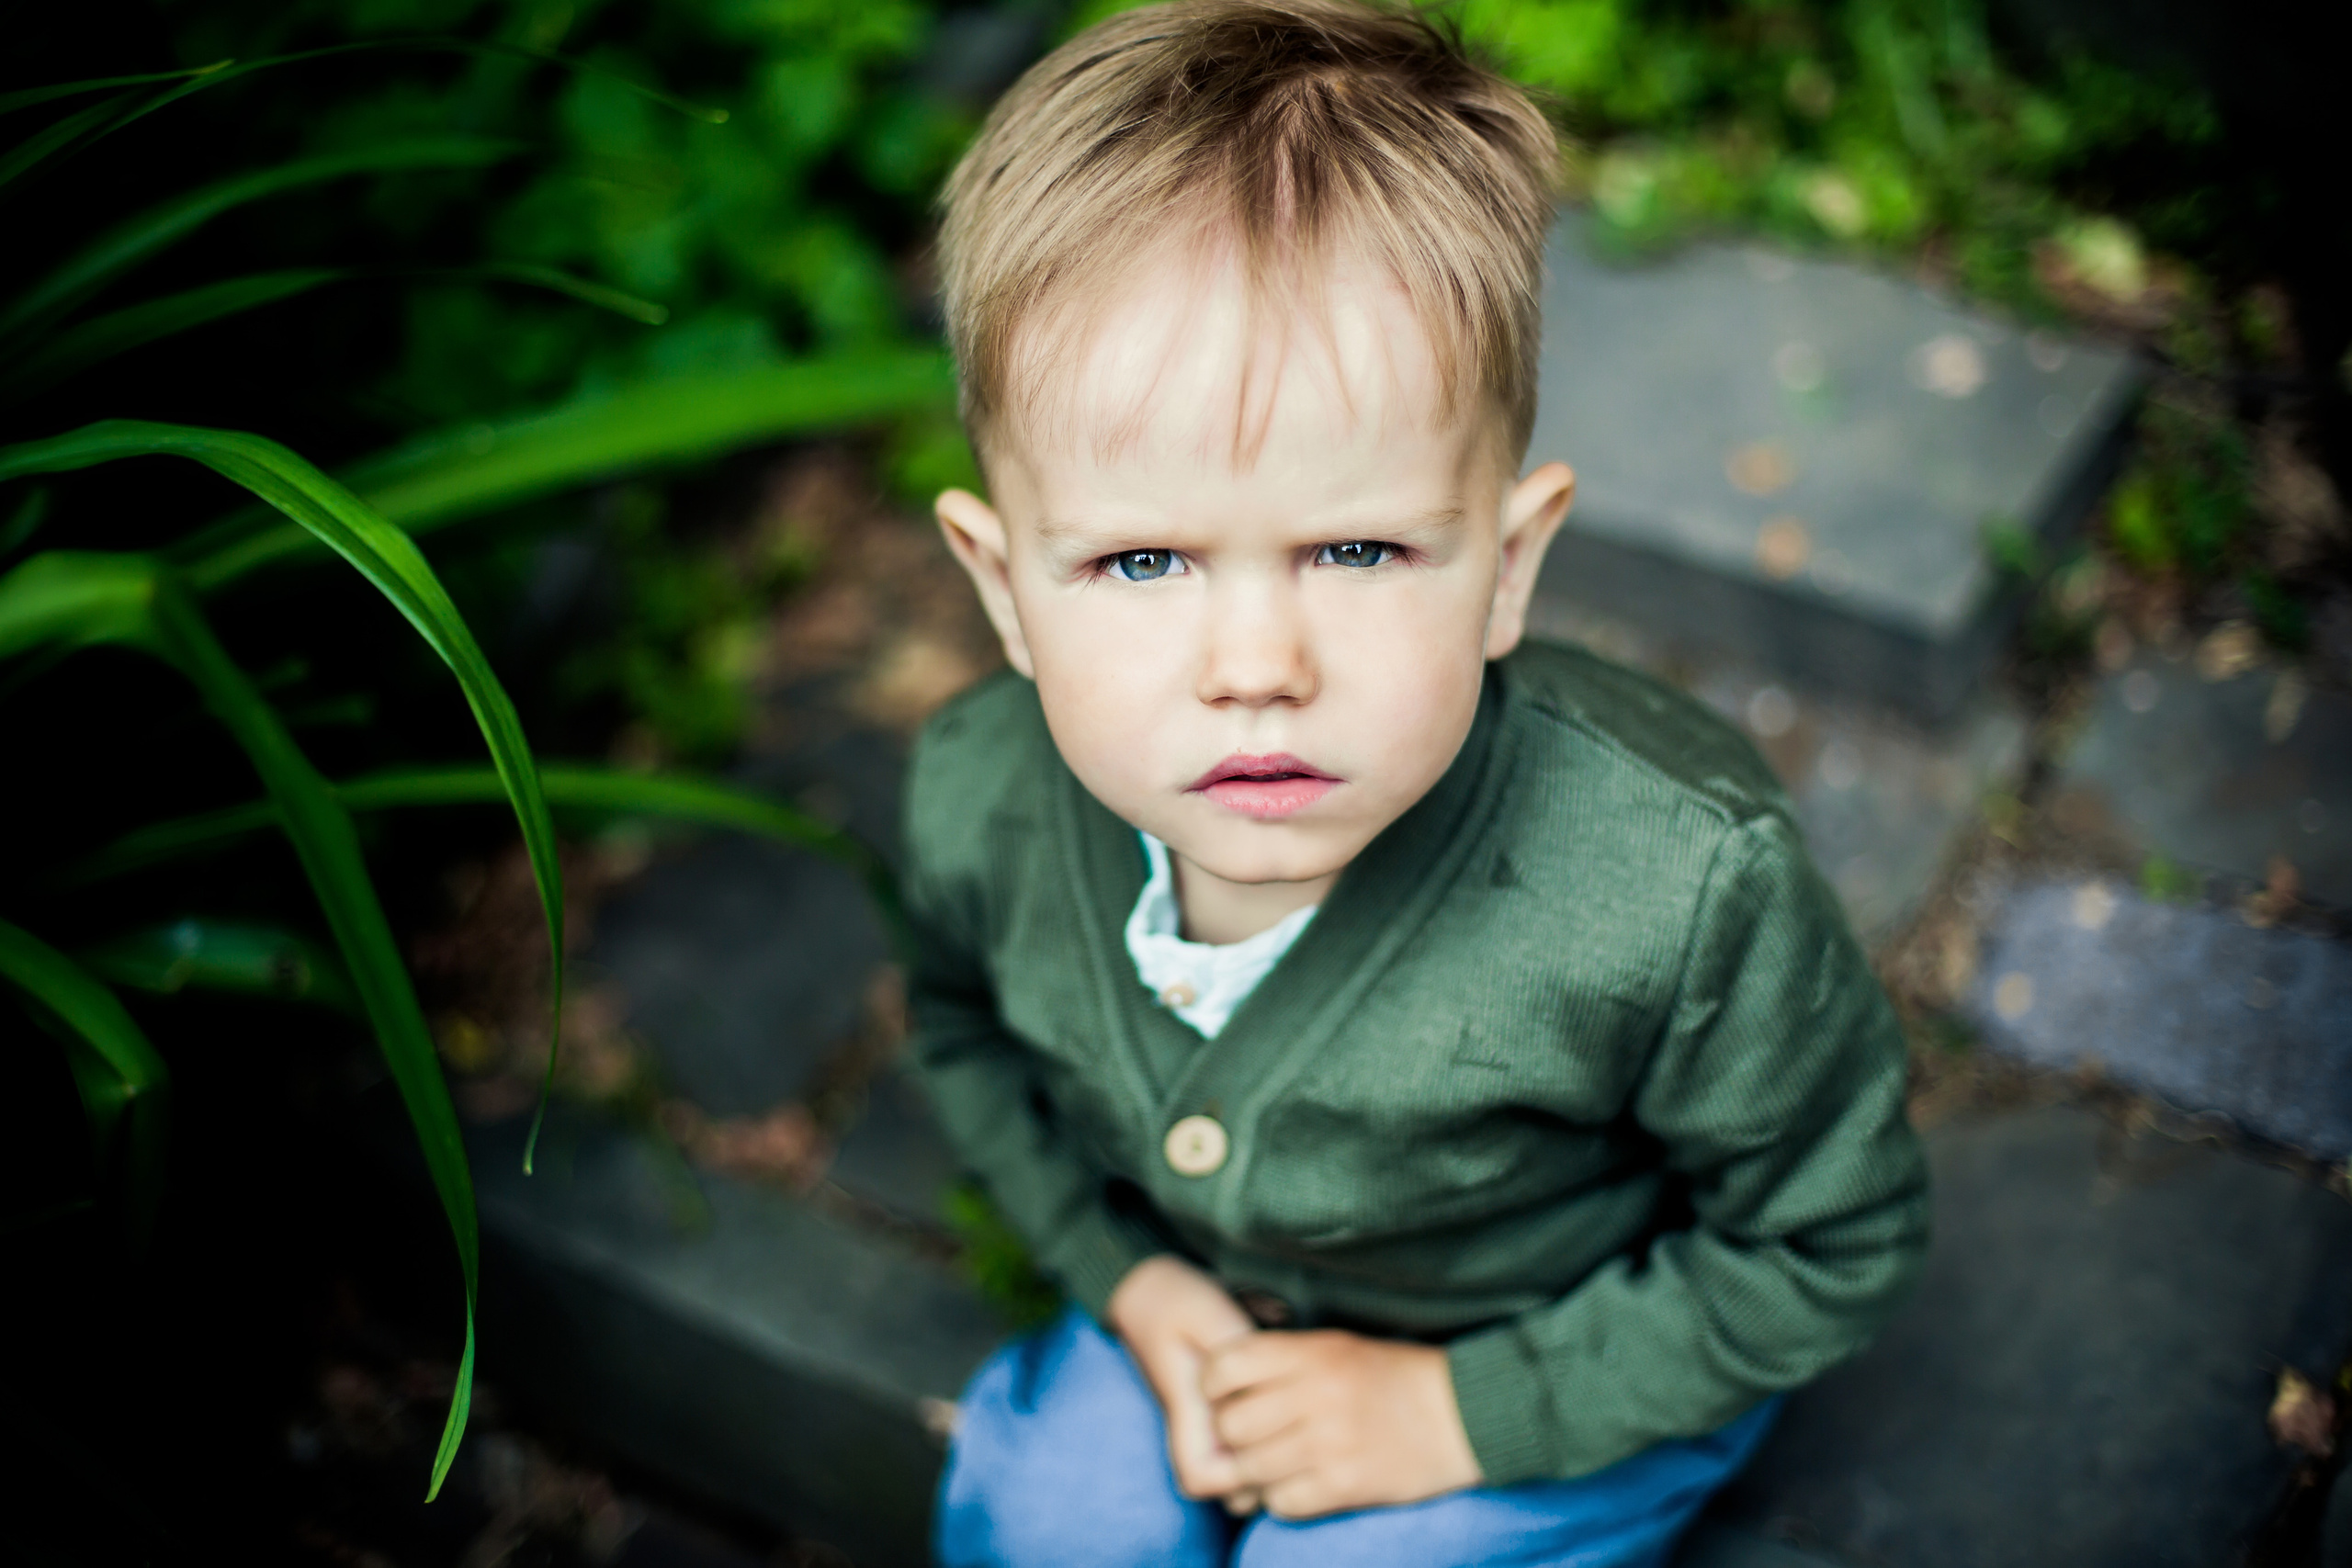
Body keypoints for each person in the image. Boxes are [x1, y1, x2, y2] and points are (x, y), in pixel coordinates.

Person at [900, 4, 1930, 1563]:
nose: (1256, 662)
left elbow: (1827, 1241)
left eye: (1359, 547)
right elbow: (963, 1031)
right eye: (1142, 557)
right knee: (1048, 1521)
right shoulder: (978, 797)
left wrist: (1449, 1416)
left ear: (1509, 567)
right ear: (1002, 588)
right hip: (1201, 1314)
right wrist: (1134, 1283)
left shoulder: (1676, 888)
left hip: (1558, 1353)